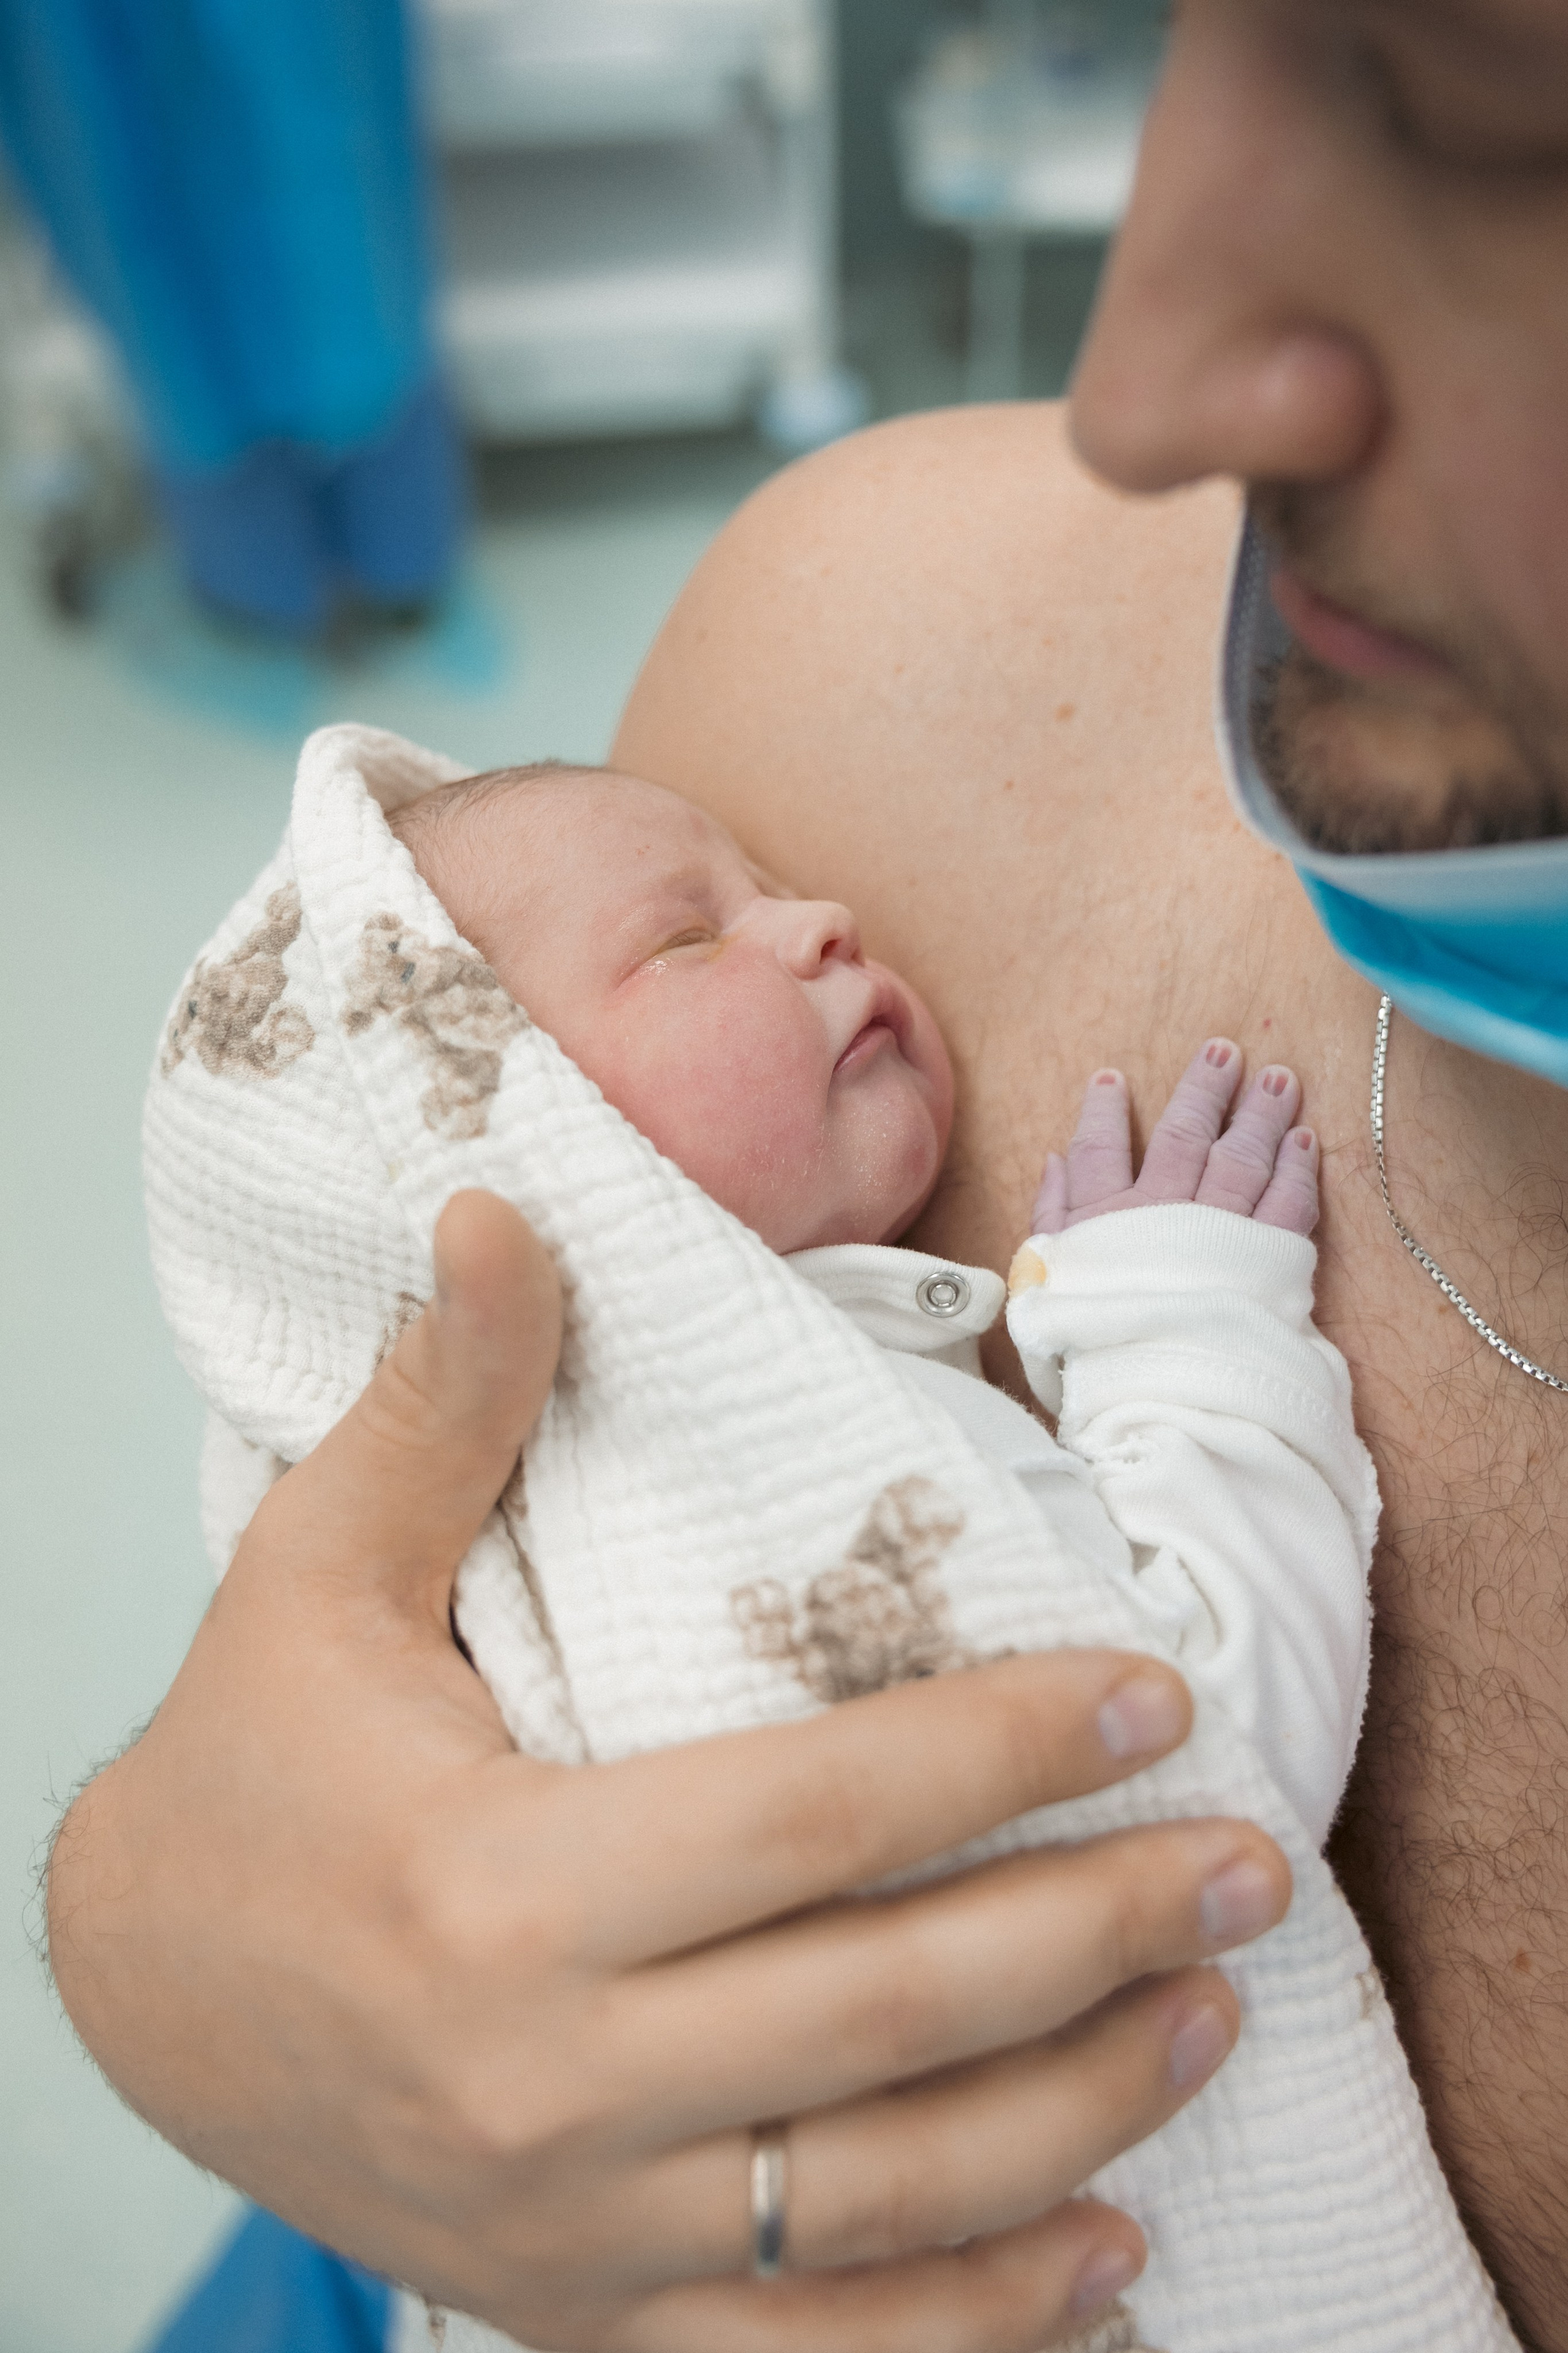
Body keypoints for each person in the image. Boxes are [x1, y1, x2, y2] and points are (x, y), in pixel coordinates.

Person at [47, 0, 1568, 2346]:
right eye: (1202, 20)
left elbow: (1158, 1762)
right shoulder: (877, 661)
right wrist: (156, 1922)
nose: (1135, 386)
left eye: (1482, 99)